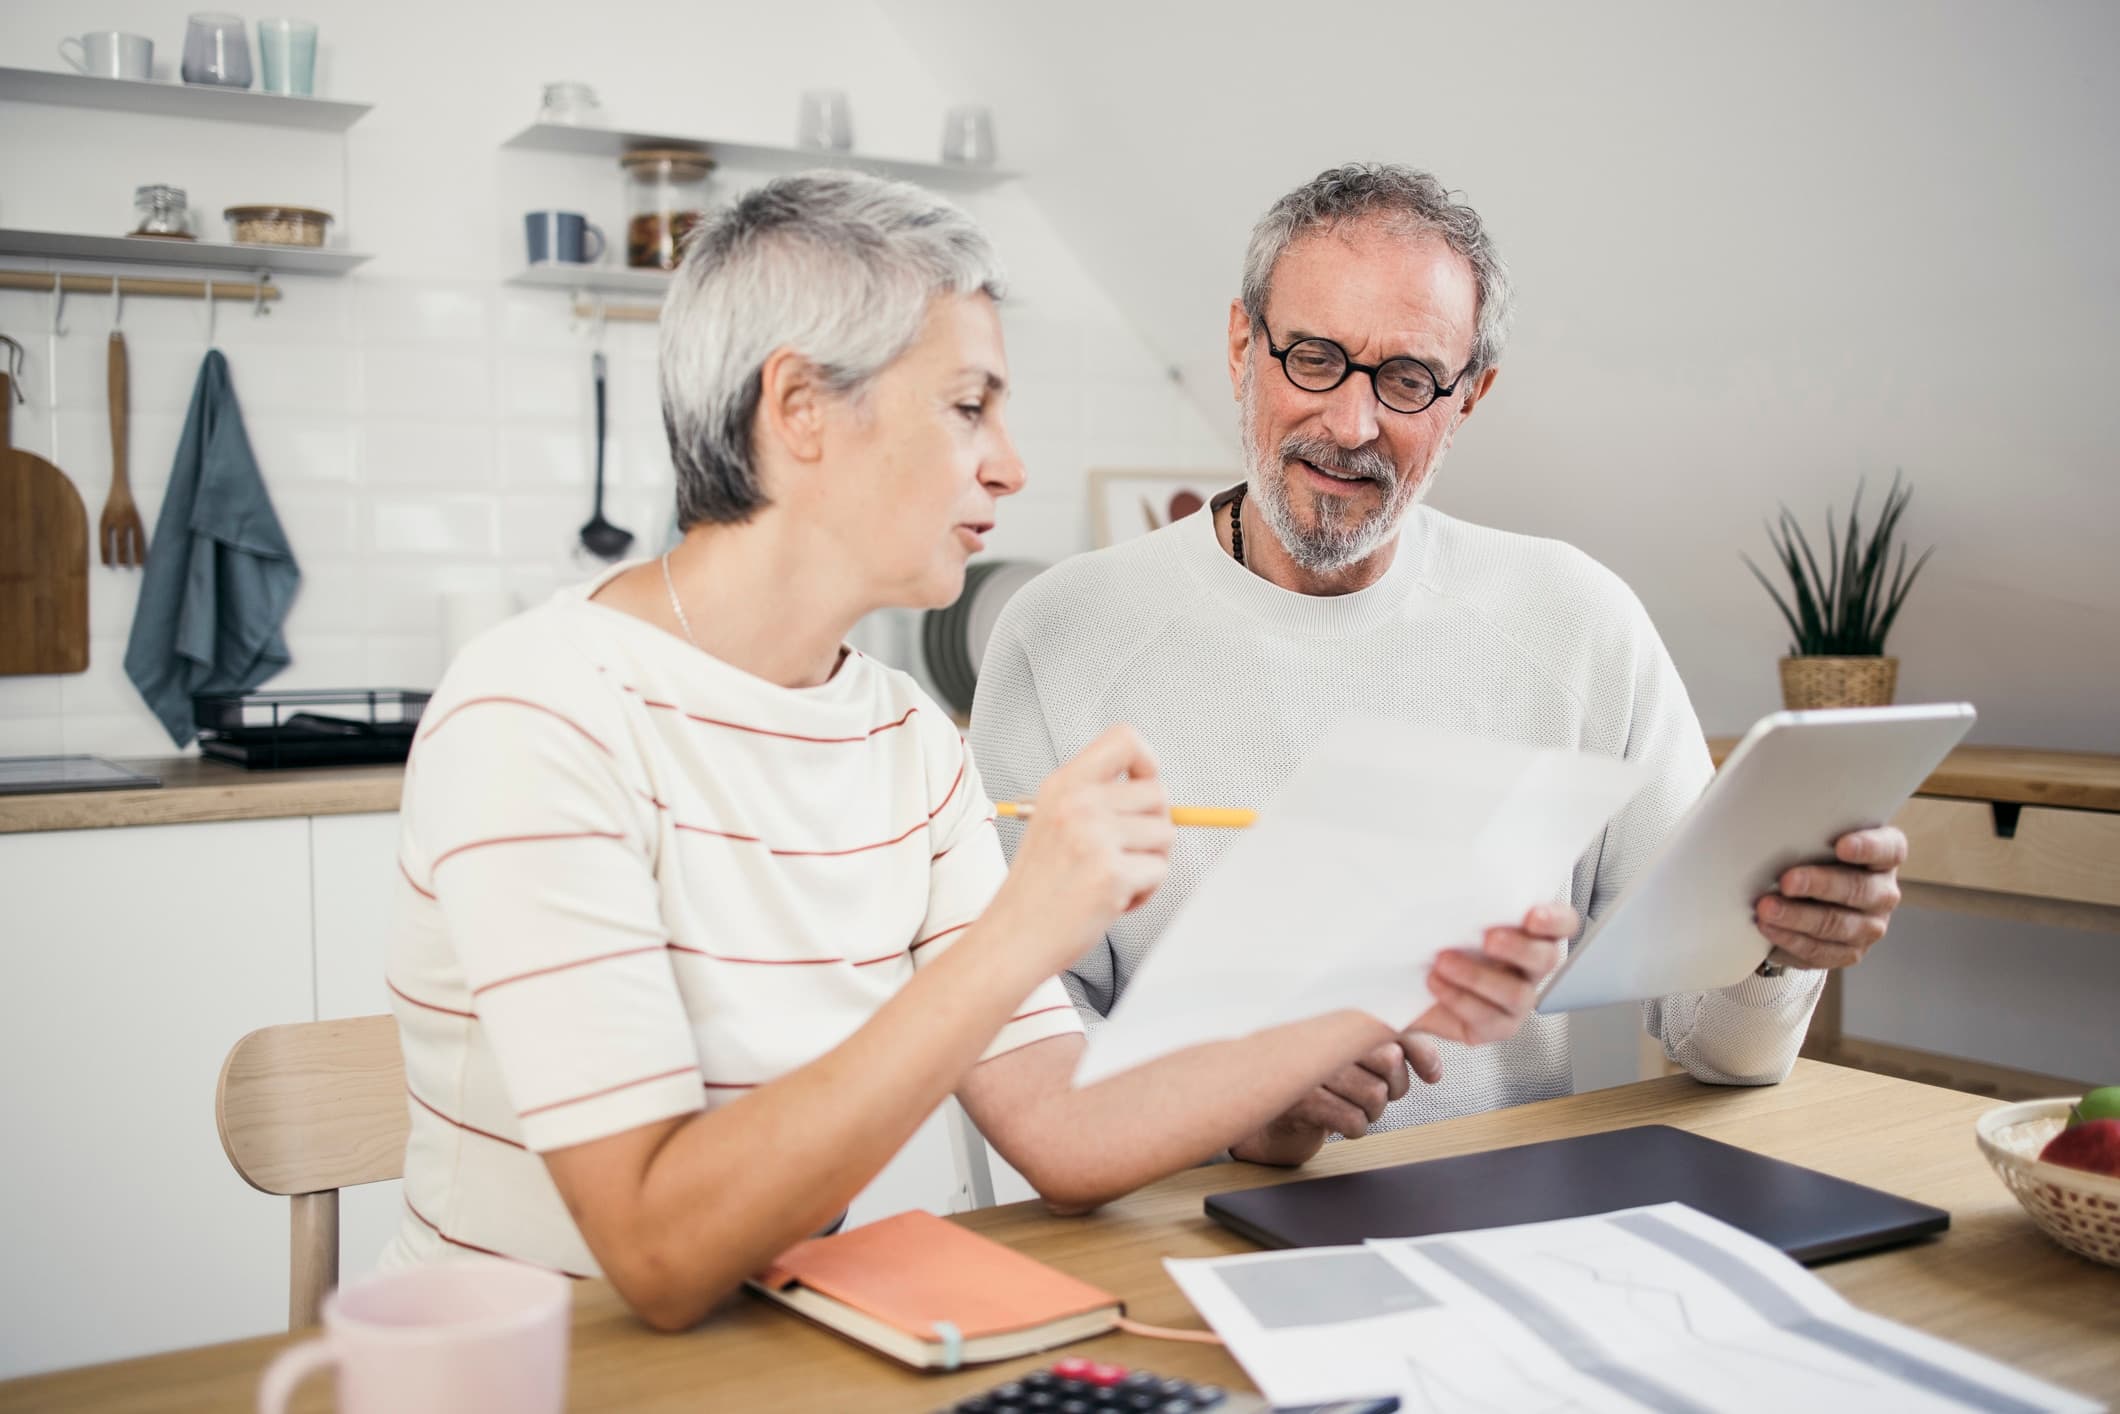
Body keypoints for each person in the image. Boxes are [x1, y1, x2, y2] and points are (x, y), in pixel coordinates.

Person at [378, 170, 1561, 1331]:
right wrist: (1018, 933)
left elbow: (1065, 1135)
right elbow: (659, 1255)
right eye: (966, 405)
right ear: (798, 410)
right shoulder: (535, 712)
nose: (1010, 462)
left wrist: (1385, 989)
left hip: (795, 1353)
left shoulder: (899, 736)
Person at [970, 163, 1909, 1165]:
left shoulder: (1576, 620)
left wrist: (1775, 948)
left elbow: (1720, 1047)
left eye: (1407, 380)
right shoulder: (1061, 634)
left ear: (1468, 399)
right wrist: (1234, 1100)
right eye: (1314, 358)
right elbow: (1014, 1031)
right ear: (1242, 346)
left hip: (1492, 1221)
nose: (1351, 424)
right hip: (1158, 1232)